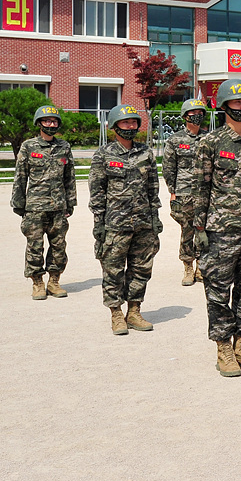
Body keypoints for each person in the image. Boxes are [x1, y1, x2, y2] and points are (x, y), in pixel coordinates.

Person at [193, 79, 241, 377]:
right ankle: (223, 347)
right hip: (220, 231)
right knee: (218, 290)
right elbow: (200, 188)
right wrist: (199, 227)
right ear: (224, 106)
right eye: (237, 103)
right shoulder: (210, 143)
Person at [89, 104, 162, 336]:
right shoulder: (103, 154)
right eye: (125, 123)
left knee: (141, 269)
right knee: (113, 269)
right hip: (115, 223)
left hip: (142, 222)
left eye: (133, 122)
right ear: (114, 126)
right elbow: (97, 191)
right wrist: (99, 223)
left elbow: (153, 188)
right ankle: (116, 314)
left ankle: (134, 311)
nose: (130, 126)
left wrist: (155, 217)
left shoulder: (146, 153)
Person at [11, 104, 76, 300]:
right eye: (47, 121)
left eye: (54, 121)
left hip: (58, 206)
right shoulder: (28, 146)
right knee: (35, 245)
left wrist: (70, 202)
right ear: (39, 123)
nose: (51, 124)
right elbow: (20, 176)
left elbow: (69, 177)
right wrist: (19, 203)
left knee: (59, 245)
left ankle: (54, 281)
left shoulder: (64, 147)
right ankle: (37, 282)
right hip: (35, 207)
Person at [162, 98, 209, 287]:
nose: (197, 117)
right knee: (187, 230)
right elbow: (168, 167)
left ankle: (201, 267)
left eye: (200, 114)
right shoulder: (176, 140)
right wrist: (173, 192)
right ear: (184, 116)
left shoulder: (208, 138)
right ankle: (188, 267)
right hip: (184, 191)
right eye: (193, 114)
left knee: (205, 229)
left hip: (205, 192)